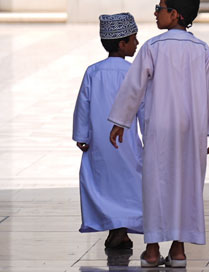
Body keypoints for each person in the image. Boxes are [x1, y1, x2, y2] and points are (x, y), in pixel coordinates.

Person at [109, 0, 209, 268]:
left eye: (160, 8)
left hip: (159, 129)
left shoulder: (153, 47)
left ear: (174, 14)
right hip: (192, 130)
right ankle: (179, 250)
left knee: (156, 185)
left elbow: (133, 87)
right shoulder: (201, 49)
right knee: (187, 184)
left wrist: (120, 121)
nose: (156, 13)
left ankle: (151, 250)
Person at [73, 13, 145, 249]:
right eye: (134, 39)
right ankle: (120, 229)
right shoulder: (133, 72)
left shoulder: (93, 71)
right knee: (128, 185)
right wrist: (150, 135)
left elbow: (83, 105)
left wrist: (82, 136)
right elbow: (143, 107)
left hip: (99, 145)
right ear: (122, 43)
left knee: (105, 186)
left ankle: (118, 230)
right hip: (127, 142)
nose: (137, 44)